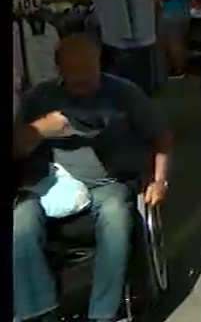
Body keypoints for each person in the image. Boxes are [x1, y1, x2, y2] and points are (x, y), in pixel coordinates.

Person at [14, 34, 173, 322]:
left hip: (108, 183)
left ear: (98, 62)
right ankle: (38, 309)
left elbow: (161, 135)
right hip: (51, 183)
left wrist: (159, 180)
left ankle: (103, 312)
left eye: (89, 72)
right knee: (20, 220)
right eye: (76, 76)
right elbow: (17, 147)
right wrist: (40, 129)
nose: (85, 82)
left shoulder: (124, 94)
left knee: (115, 216)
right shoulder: (40, 98)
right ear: (60, 70)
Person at [158, 0, 192, 78]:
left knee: (173, 45)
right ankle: (182, 69)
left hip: (171, 14)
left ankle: (177, 71)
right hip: (184, 14)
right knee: (181, 43)